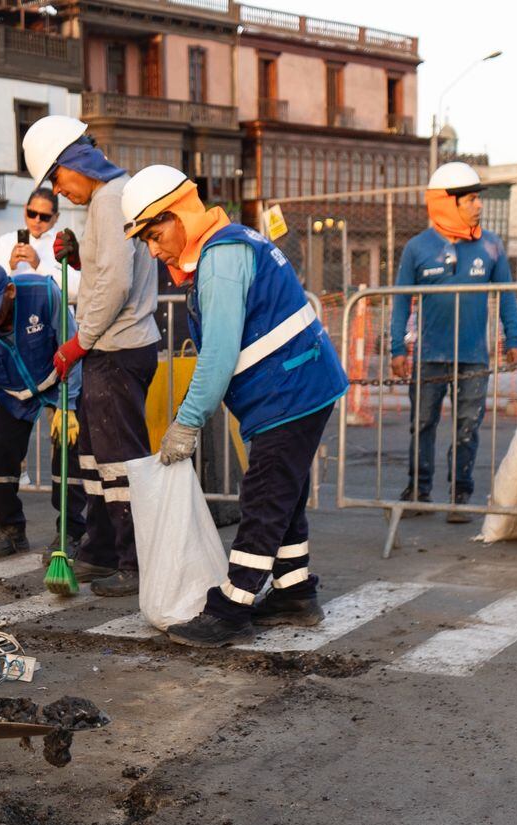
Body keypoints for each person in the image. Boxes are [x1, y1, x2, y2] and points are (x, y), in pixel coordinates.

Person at [121, 164, 348, 647]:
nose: (154, 248)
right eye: (145, 241)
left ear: (178, 213)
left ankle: (232, 607)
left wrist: (186, 423)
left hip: (290, 390)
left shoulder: (221, 258)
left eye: (154, 233)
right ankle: (293, 592)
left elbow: (219, 355)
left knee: (264, 496)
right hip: (298, 384)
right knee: (284, 493)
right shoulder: (230, 244)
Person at [21, 115, 160, 597]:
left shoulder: (108, 200)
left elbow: (117, 284)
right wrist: (79, 258)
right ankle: (101, 551)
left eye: (56, 179)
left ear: (74, 162)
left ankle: (133, 561)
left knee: (119, 462)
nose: (57, 192)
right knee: (96, 458)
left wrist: (78, 342)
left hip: (117, 349)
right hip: (116, 346)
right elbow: (109, 271)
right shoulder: (111, 198)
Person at [390, 161, 517, 523]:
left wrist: (514, 337)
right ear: (448, 203)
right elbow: (401, 300)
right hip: (429, 357)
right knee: (422, 424)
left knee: (468, 427)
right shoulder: (417, 249)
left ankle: (460, 494)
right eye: (471, 200)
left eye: (479, 199)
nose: (479, 205)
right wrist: (397, 349)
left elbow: (507, 296)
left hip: (473, 358)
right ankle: (419, 489)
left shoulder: (491, 247)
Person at [0, 260, 84, 560]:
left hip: (57, 380)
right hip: (14, 392)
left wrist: (69, 404)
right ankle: (10, 530)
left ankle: (73, 532)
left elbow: (71, 346)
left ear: (10, 291)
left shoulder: (44, 293)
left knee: (68, 450)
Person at [0, 186, 79, 290]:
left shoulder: (64, 244)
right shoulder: (5, 242)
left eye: (44, 217)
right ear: (25, 210)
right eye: (32, 213)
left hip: (52, 306)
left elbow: (77, 289)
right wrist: (10, 266)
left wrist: (39, 265)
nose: (37, 220)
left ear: (56, 217)